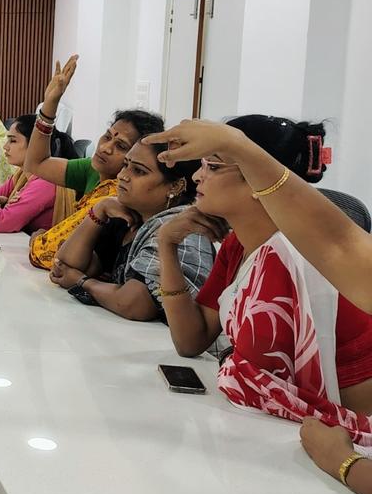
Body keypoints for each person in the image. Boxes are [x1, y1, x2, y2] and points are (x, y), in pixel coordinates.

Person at [154, 115, 372, 451]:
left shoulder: (289, 257)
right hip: (278, 428)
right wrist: (166, 245)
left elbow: (254, 384)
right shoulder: (238, 244)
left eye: (213, 165)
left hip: (341, 436)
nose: (197, 175)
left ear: (259, 180)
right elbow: (190, 341)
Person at [24, 56, 164, 269]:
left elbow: (51, 252)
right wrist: (50, 104)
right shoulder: (94, 167)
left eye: (121, 146)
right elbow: (36, 163)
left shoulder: (122, 193)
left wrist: (39, 239)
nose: (106, 148)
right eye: (107, 136)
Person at [47, 140, 210, 322]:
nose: (122, 175)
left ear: (175, 186)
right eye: (125, 165)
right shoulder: (128, 215)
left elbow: (135, 303)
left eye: (139, 171)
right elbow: (65, 266)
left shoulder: (181, 228)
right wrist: (99, 209)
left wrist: (83, 282)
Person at [0, 115, 78, 234]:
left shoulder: (45, 182)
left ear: (35, 145)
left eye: (13, 141)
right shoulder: (21, 176)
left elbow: (1, 223)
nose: (5, 147)